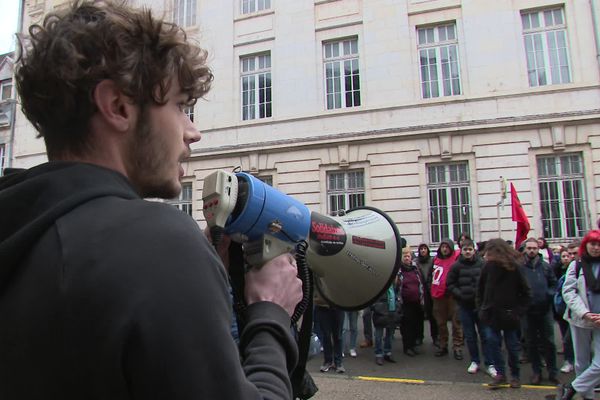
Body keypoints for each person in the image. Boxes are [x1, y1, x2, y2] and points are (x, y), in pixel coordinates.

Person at [0, 2, 303, 398]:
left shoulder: (21, 230)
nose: (192, 132)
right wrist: (271, 315)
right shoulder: (156, 243)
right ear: (118, 107)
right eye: (180, 106)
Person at [478, 238, 532, 390]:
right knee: (492, 343)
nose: (486, 255)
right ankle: (500, 374)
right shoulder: (487, 267)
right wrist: (481, 308)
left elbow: (526, 293)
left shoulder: (514, 268)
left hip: (510, 315)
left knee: (512, 348)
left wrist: (518, 312)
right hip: (490, 314)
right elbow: (480, 290)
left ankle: (515, 375)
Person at [559, 230, 600, 400]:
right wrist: (584, 313)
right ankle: (587, 395)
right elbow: (568, 292)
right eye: (593, 244)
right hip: (580, 318)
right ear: (586, 245)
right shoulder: (576, 265)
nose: (596, 248)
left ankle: (572, 388)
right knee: (581, 360)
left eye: (599, 244)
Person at [446, 239, 496, 377]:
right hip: (465, 306)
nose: (467, 252)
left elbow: (489, 282)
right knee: (470, 336)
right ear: (461, 251)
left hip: (481, 307)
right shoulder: (456, 266)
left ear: (474, 250)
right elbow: (450, 284)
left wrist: (485, 298)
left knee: (486, 336)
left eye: (470, 249)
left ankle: (490, 363)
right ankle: (475, 361)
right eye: (465, 249)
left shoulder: (482, 264)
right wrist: (460, 294)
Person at [521, 237, 559, 385]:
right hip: (528, 311)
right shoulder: (520, 267)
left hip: (545, 310)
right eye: (529, 248)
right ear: (525, 249)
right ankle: (536, 372)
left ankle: (553, 372)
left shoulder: (545, 266)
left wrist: (548, 295)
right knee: (531, 342)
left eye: (534, 248)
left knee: (549, 342)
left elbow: (554, 284)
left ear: (538, 249)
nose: (531, 251)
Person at [430, 238, 463, 359]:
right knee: (441, 323)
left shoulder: (456, 260)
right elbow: (431, 277)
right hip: (438, 296)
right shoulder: (435, 260)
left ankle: (457, 347)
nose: (444, 249)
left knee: (456, 323)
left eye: (447, 247)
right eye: (443, 247)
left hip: (452, 296)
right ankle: (443, 345)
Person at [397, 246, 425, 357]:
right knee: (407, 325)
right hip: (405, 303)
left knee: (415, 324)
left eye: (408, 256)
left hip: (417, 301)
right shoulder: (399, 270)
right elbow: (397, 285)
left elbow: (421, 283)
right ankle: (407, 347)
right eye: (404, 256)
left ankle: (413, 345)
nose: (407, 258)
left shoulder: (415, 269)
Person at [553, 247, 575, 374]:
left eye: (571, 254)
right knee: (565, 336)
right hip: (561, 308)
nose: (568, 257)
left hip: (576, 310)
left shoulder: (580, 269)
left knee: (571, 338)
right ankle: (569, 360)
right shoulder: (556, 270)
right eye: (565, 255)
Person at [371, 281, 402, 365]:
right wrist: (377, 308)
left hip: (391, 312)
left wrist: (398, 305)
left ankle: (387, 353)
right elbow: (373, 298)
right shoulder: (378, 284)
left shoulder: (395, 284)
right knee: (378, 335)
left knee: (390, 335)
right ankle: (379, 354)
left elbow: (398, 295)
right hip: (380, 313)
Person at [314, 292, 345, 373]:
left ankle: (338, 363)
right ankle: (327, 361)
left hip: (338, 306)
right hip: (323, 307)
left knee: (338, 336)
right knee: (326, 336)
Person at [416, 243, 439, 348]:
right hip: (420, 291)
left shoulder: (433, 261)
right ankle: (419, 337)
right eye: (421, 249)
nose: (423, 251)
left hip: (430, 291)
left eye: (425, 249)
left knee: (432, 316)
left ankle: (435, 337)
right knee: (419, 316)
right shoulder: (416, 262)